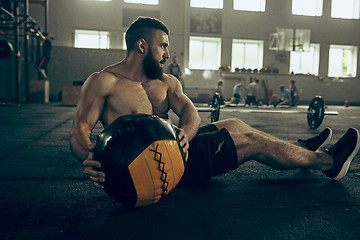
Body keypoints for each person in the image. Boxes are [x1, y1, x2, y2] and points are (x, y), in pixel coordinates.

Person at [70, 17, 360, 191]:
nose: (168, 54)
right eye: (163, 46)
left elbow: (188, 111)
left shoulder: (167, 82)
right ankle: (330, 162)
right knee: (253, 141)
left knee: (235, 125)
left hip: (180, 147)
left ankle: (301, 149)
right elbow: (80, 131)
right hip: (163, 168)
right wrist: (92, 160)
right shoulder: (103, 81)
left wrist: (186, 132)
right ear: (142, 45)